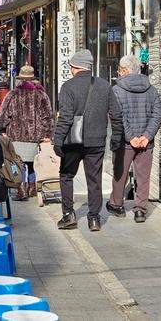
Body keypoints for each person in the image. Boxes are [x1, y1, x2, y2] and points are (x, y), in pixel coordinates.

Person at [53, 49, 123, 232]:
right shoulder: (104, 85)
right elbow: (116, 115)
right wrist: (116, 138)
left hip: (73, 141)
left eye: (71, 66)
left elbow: (66, 117)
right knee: (94, 179)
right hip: (97, 141)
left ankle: (68, 215)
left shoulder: (68, 87)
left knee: (67, 176)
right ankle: (94, 218)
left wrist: (57, 139)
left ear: (75, 67)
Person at [107, 55, 161, 223]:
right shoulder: (151, 89)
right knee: (143, 176)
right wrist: (147, 136)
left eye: (119, 70)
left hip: (125, 142)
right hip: (146, 143)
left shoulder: (116, 90)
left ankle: (117, 205)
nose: (118, 73)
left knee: (120, 174)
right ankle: (140, 210)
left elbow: (118, 117)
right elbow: (157, 114)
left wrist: (131, 137)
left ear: (124, 70)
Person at [0, 65, 54, 200]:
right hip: (35, 135)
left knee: (18, 163)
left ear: (20, 79)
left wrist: (2, 129)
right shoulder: (41, 94)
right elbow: (47, 116)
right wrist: (48, 134)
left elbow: (4, 114)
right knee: (33, 163)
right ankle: (32, 188)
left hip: (16, 135)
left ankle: (21, 190)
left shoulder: (13, 94)